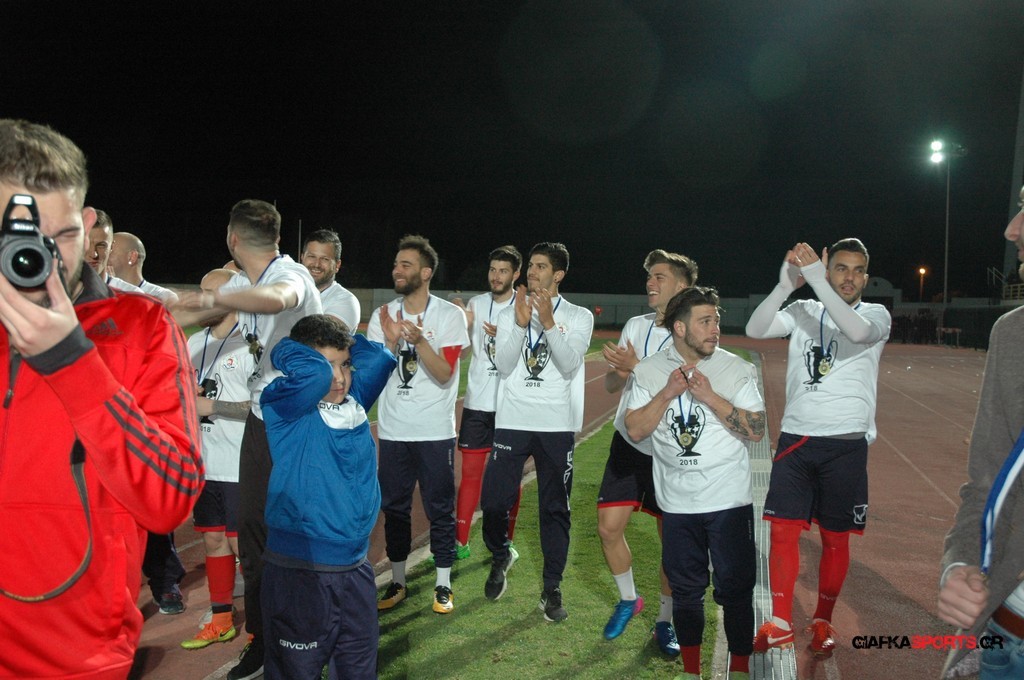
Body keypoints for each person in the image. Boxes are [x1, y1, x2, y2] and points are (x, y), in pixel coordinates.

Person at [0, 119, 203, 679]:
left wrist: (73, 363)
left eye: (62, 235)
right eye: (16, 233)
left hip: (77, 662)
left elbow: (171, 496)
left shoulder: (141, 326)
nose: (39, 256)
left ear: (88, 224)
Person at [173, 199, 323, 680]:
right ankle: (262, 638)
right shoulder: (242, 284)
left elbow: (277, 298)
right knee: (254, 536)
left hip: (298, 422)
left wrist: (227, 299)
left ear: (232, 239)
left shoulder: (290, 275)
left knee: (299, 533)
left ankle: (311, 636)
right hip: (262, 418)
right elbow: (197, 305)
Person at [745, 238, 891, 657]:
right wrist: (785, 286)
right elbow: (755, 329)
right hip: (798, 439)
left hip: (845, 445)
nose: (849, 277)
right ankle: (779, 624)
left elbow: (856, 331)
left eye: (858, 270)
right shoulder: (804, 310)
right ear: (828, 271)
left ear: (866, 277)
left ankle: (823, 620)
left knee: (835, 539)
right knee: (782, 532)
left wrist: (816, 280)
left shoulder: (876, 315)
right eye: (841, 268)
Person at [625, 286, 763, 680]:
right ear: (680, 328)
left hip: (728, 502)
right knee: (686, 594)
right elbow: (635, 429)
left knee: (736, 591)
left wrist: (711, 397)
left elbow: (755, 429)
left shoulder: (735, 369)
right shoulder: (650, 371)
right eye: (705, 321)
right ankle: (691, 673)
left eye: (716, 320)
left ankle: (740, 670)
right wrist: (667, 393)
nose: (715, 328)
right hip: (678, 505)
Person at [260, 315, 395, 679]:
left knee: (358, 670)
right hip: (301, 568)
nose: (339, 378)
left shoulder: (354, 402)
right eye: (327, 365)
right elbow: (315, 376)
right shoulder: (287, 403)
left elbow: (379, 358)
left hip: (355, 568)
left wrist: (346, 338)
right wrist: (287, 346)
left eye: (345, 365)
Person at [480, 242, 594, 622]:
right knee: (494, 502)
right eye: (531, 265)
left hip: (555, 426)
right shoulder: (510, 311)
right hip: (512, 420)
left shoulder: (578, 316)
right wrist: (518, 323)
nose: (532, 271)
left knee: (554, 509)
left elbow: (569, 364)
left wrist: (547, 322)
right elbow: (503, 364)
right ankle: (501, 554)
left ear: (558, 274)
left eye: (541, 266)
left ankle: (551, 588)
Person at [937, 185, 1024, 679]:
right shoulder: (1013, 335)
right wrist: (961, 564)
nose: (1012, 229)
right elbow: (987, 483)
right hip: (1006, 636)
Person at [598, 249, 695, 652]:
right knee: (608, 528)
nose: (650, 284)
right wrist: (621, 371)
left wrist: (637, 365)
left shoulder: (694, 331)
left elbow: (686, 386)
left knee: (671, 545)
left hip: (670, 450)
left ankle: (664, 622)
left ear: (682, 285)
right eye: (649, 277)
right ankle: (628, 599)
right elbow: (611, 385)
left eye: (659, 277)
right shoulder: (635, 326)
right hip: (629, 441)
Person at [367, 234, 469, 614]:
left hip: (434, 432)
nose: (397, 270)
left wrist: (421, 342)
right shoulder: (383, 316)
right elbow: (372, 377)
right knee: (394, 509)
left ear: (426, 273)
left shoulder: (449, 316)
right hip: (394, 431)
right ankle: (397, 581)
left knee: (439, 508)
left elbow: (445, 373)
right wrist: (390, 344)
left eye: (406, 265)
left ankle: (443, 584)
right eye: (396, 264)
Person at [180, 268, 253, 649]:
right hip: (204, 464)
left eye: (211, 293)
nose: (202, 300)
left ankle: (260, 625)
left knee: (244, 548)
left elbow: (262, 406)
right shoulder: (195, 342)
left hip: (240, 464)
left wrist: (214, 406)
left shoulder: (251, 345)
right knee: (212, 541)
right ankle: (221, 619)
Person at [453, 245, 523, 561]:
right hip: (478, 403)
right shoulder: (477, 304)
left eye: (503, 271)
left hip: (511, 406)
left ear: (516, 274)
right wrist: (463, 326)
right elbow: (465, 353)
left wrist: (508, 335)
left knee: (510, 479)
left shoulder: (524, 308)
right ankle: (460, 543)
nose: (496, 276)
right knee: (470, 475)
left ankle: (506, 541)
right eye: (493, 270)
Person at [301, 228, 361, 331]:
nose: (316, 264)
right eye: (311, 256)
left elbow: (322, 338)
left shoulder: (345, 300)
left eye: (325, 259)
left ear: (337, 265)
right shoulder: (289, 291)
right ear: (302, 258)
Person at [108, 231, 179, 304]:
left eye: (109, 252)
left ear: (132, 257)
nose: (103, 257)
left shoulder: (163, 296)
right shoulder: (102, 292)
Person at [86, 209, 141, 292]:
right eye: (85, 244)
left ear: (111, 246)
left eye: (101, 245)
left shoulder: (132, 294)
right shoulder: (64, 293)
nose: (94, 254)